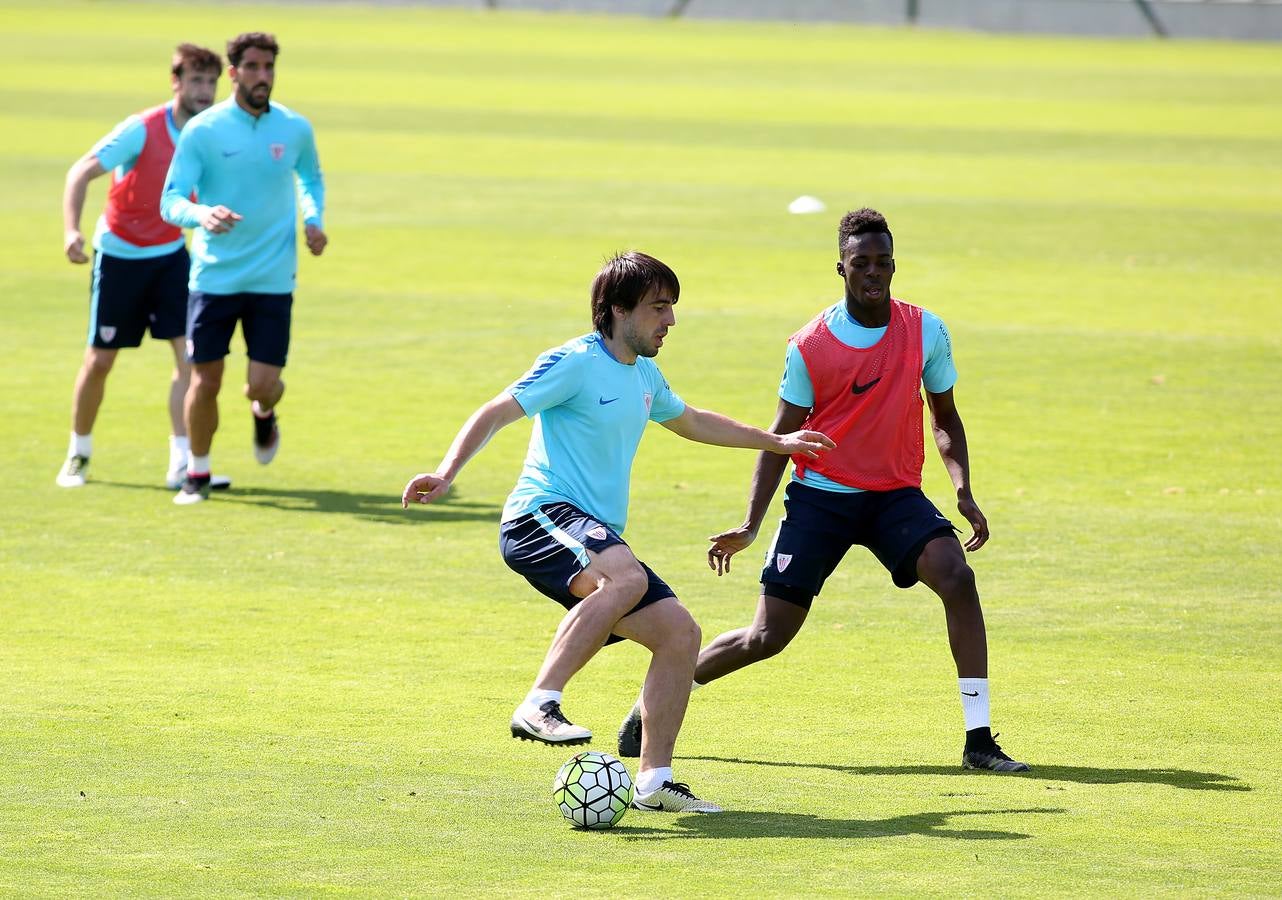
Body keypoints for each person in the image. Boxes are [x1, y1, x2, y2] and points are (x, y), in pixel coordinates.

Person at [402, 252, 834, 813]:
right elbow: (496, 411)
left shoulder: (645, 374)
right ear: (617, 310)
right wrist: (446, 471)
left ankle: (654, 782)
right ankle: (540, 703)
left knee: (680, 634)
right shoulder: (574, 362)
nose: (671, 320)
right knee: (625, 578)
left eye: (672, 307)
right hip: (541, 515)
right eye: (659, 307)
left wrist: (774, 442)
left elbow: (693, 420)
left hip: (593, 532)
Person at [615, 209, 1030, 773]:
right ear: (842, 267)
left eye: (883, 261)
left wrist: (962, 489)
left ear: (893, 264)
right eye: (862, 262)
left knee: (956, 576)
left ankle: (979, 739)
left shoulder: (925, 330)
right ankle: (650, 705)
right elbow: (778, 439)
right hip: (822, 499)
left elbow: (946, 417)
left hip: (893, 497)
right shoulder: (811, 345)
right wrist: (750, 524)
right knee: (767, 636)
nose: (874, 272)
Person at [160, 31, 327, 505]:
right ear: (233, 73)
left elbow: (311, 177)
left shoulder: (294, 128)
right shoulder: (205, 130)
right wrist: (202, 214)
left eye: (269, 67)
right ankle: (198, 472)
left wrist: (313, 220)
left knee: (263, 385)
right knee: (205, 380)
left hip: (274, 278)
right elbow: (171, 200)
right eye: (253, 67)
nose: (263, 76)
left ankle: (263, 411)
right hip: (214, 278)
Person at [57, 43, 230, 491]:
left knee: (189, 358)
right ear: (176, 82)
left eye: (210, 81)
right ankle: (78, 452)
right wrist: (71, 231)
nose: (204, 90)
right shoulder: (142, 129)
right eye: (195, 80)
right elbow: (81, 172)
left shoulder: (210, 132)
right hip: (120, 258)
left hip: (171, 256)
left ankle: (182, 461)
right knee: (100, 360)